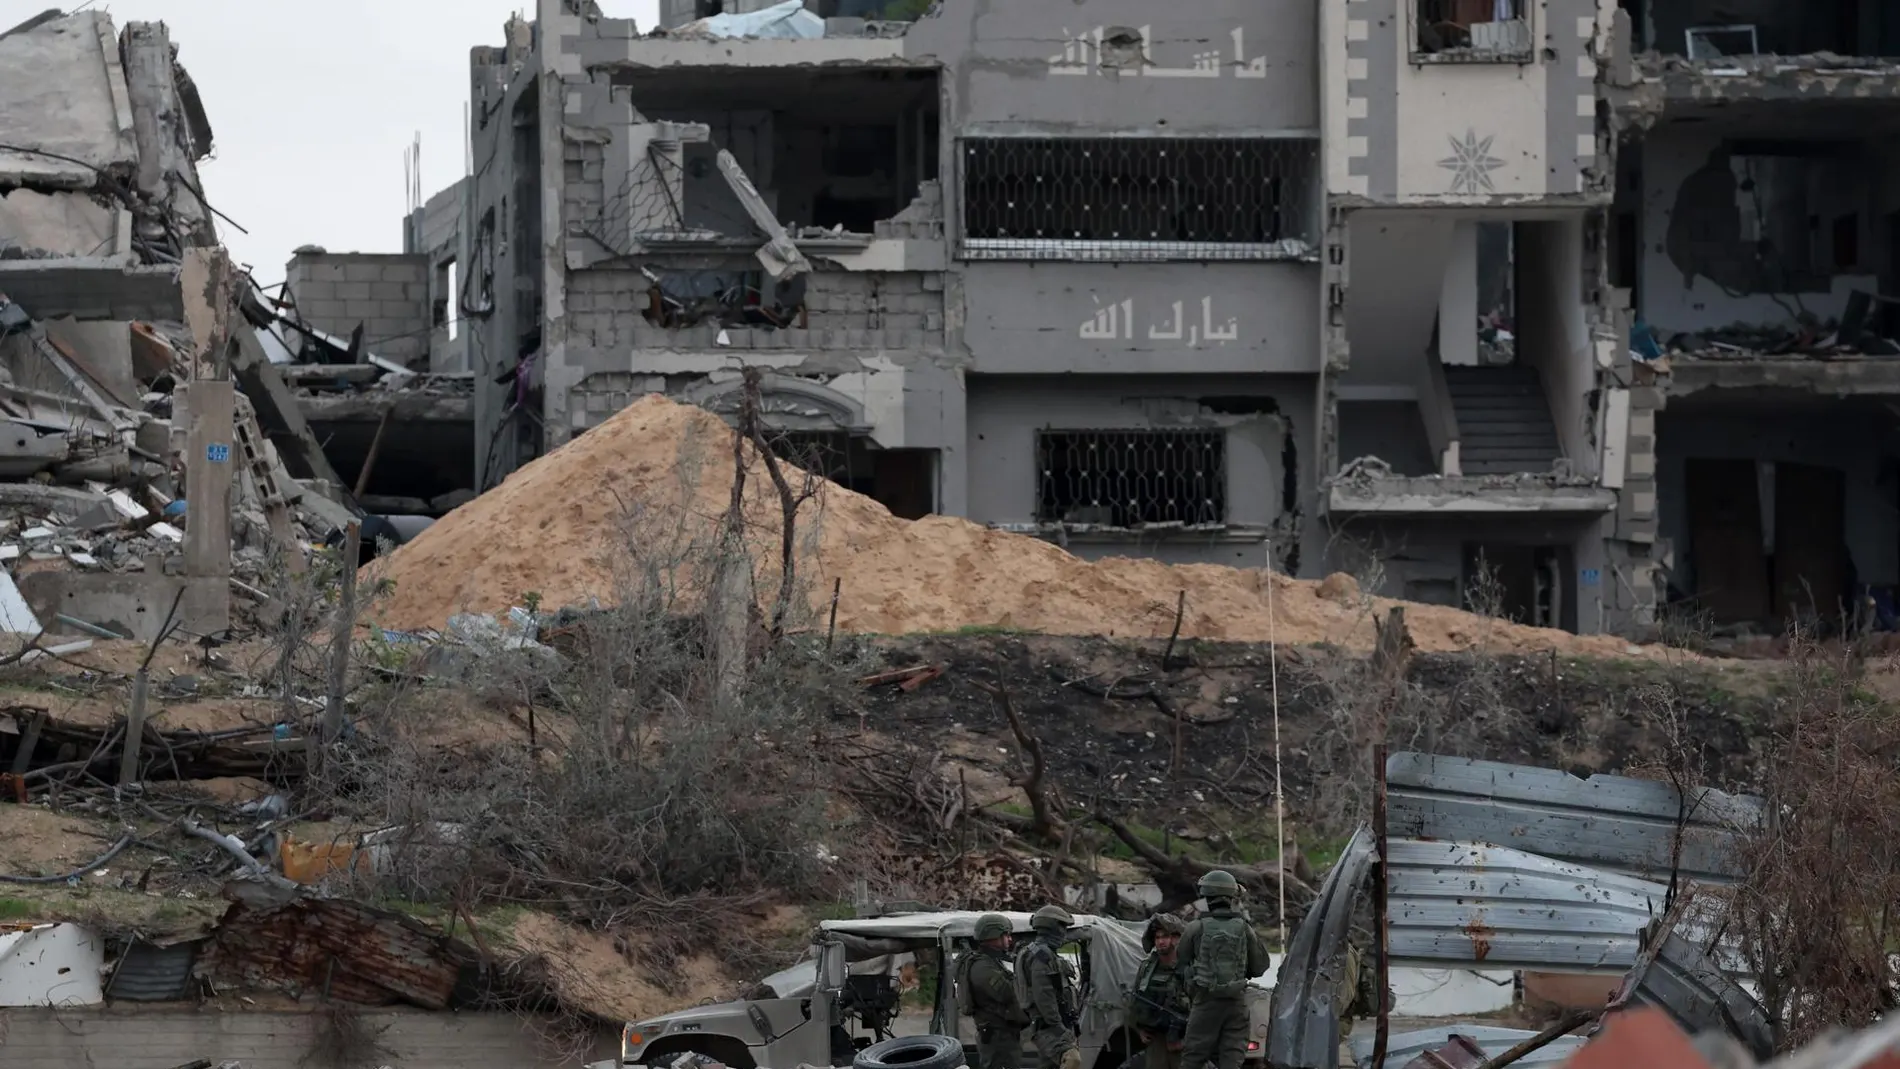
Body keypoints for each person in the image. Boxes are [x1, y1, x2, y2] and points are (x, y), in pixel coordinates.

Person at [1175, 871, 1269, 1069]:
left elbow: (1181, 965)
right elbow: (1260, 966)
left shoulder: (1195, 928)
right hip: (1236, 1004)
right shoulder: (1245, 928)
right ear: (1232, 896)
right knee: (1232, 1061)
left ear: (1207, 897)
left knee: (1192, 1060)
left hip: (1204, 1002)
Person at [1014, 904, 1081, 1069]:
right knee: (1072, 1060)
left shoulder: (1040, 953)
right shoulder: (1041, 956)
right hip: (1049, 1026)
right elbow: (1044, 996)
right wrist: (1059, 1028)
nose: (1064, 932)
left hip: (1049, 1024)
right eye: (1062, 927)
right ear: (1053, 927)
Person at [958, 913, 1029, 1069]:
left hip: (1005, 1034)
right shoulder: (982, 966)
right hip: (997, 1036)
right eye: (1006, 935)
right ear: (993, 936)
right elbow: (1007, 992)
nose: (1010, 939)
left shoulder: (994, 961)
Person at [1132, 914, 1190, 1069]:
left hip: (1184, 1041)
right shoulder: (1146, 968)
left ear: (1177, 938)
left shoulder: (1189, 968)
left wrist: (1185, 1041)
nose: (1160, 941)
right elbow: (1135, 999)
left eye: (1165, 936)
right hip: (1156, 1039)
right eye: (1157, 937)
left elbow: (1204, 1008)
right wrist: (1140, 1030)